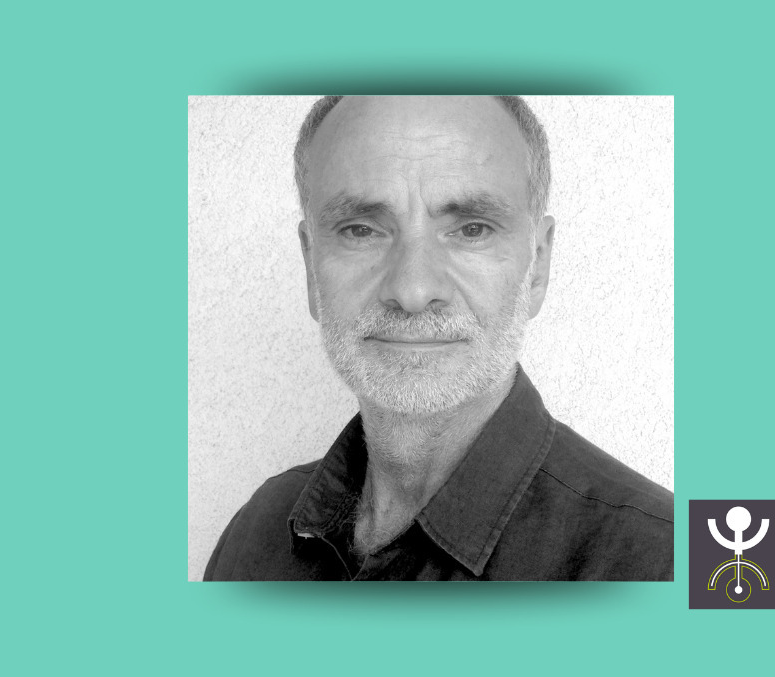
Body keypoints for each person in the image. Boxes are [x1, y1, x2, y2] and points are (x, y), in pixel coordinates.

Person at [203, 95, 672, 581]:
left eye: (471, 229)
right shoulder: (255, 536)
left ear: (537, 265)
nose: (412, 291)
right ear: (310, 268)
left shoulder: (674, 562)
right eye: (361, 230)